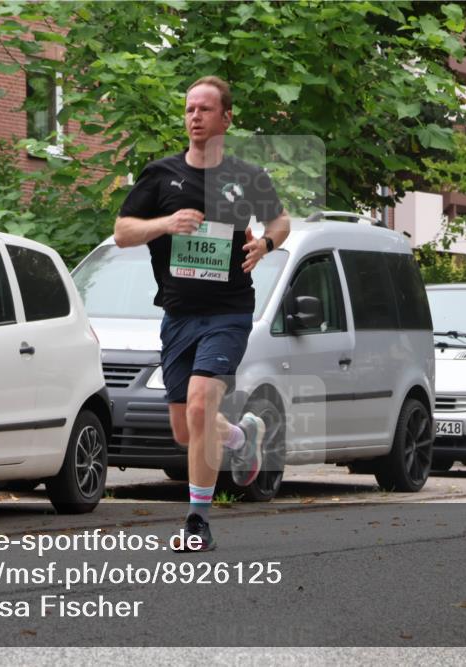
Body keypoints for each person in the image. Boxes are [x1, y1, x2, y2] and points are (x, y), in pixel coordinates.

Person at [114, 76, 290, 551]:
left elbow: (280, 220)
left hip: (228, 310)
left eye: (205, 109)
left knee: (199, 404)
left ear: (226, 118)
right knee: (184, 428)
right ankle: (239, 436)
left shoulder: (247, 176)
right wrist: (165, 223)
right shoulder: (160, 175)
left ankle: (197, 521)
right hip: (177, 315)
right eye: (190, 109)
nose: (195, 117)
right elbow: (122, 233)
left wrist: (266, 244)